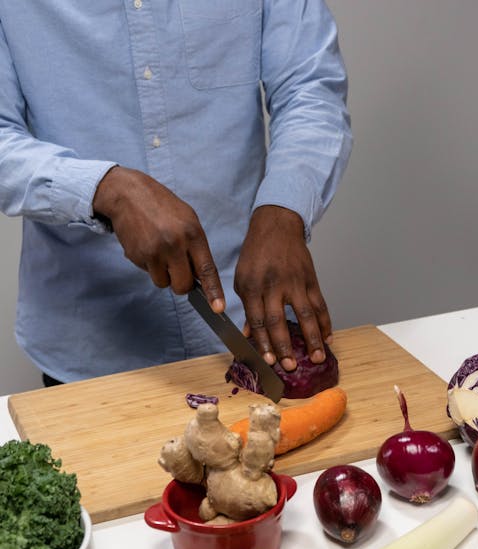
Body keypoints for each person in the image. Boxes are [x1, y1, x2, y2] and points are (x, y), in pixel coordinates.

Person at [0, 1, 352, 386]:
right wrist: (105, 189)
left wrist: (284, 210)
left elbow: (310, 87)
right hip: (93, 350)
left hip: (252, 329)